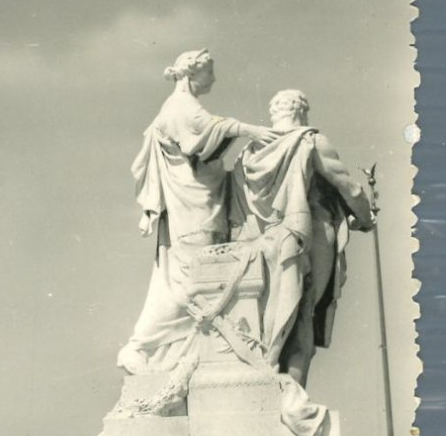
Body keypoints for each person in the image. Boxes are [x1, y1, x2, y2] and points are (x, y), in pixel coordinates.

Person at [118, 50, 277, 374]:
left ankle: (184, 357)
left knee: (200, 282)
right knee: (187, 284)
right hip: (191, 209)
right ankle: (139, 347)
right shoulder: (180, 107)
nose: (214, 79)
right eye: (210, 72)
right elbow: (202, 134)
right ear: (193, 74)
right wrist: (248, 129)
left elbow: (207, 141)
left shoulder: (184, 106)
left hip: (203, 203)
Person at [234, 89, 374, 386]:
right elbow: (350, 190)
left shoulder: (250, 152)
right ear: (302, 111)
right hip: (307, 236)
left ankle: (271, 391)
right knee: (303, 315)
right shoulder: (309, 141)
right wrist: (366, 219)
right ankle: (293, 400)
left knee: (270, 320)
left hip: (262, 243)